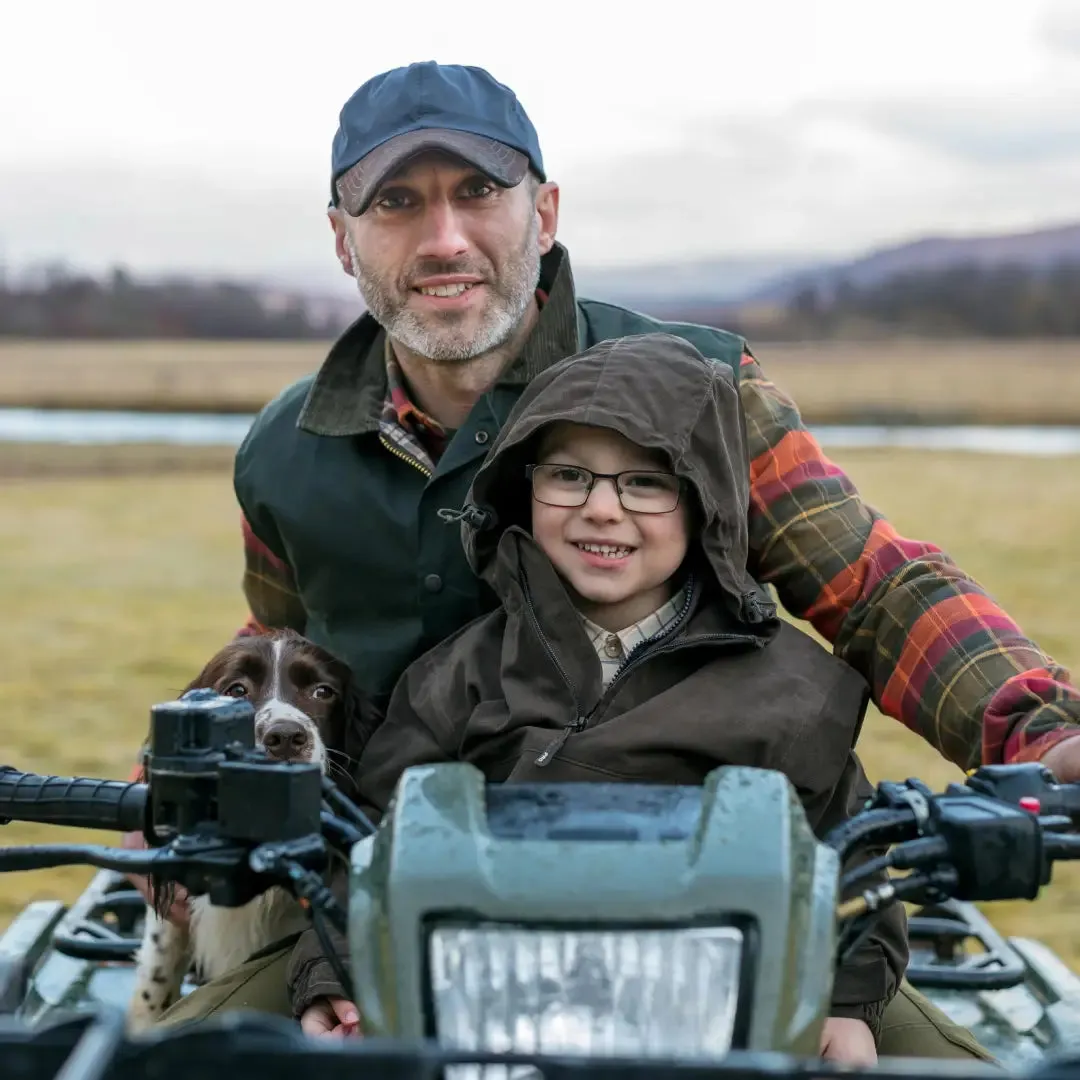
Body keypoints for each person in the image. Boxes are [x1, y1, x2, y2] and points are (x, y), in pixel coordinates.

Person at [133, 59, 1072, 1059]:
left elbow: (874, 585)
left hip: (708, 900)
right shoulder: (286, 453)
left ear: (543, 209)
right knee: (148, 1063)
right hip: (397, 895)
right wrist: (179, 772)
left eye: (478, 193)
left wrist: (1038, 732)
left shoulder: (696, 387)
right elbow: (283, 638)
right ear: (342, 236)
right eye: (397, 202)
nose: (444, 237)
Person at [346, 330, 915, 1065]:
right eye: (569, 477)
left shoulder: (791, 690)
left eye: (645, 482)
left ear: (704, 500)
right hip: (490, 1020)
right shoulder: (458, 675)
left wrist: (846, 1005)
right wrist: (331, 973)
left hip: (720, 1022)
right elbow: (362, 840)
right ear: (525, 487)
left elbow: (852, 864)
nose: (602, 510)